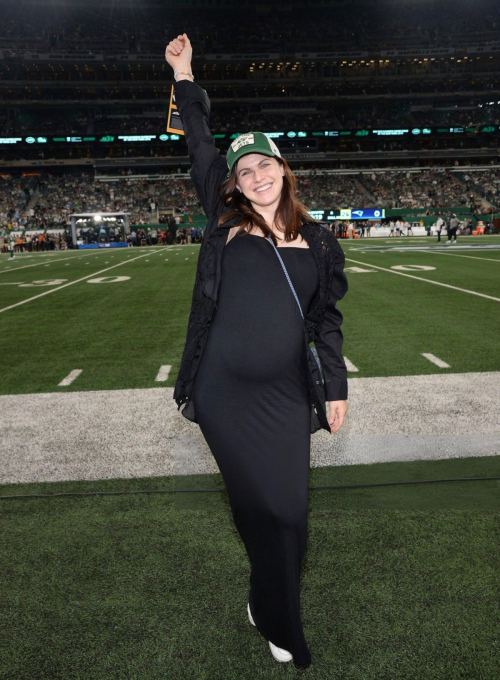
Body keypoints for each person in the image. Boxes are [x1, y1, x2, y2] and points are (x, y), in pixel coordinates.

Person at [167, 34, 348, 669]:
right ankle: (280, 622)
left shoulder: (322, 244)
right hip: (221, 395)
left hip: (287, 395)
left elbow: (326, 319)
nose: (256, 175)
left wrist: (337, 388)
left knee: (291, 516)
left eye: (265, 165)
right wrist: (185, 75)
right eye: (244, 171)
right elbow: (200, 144)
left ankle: (261, 591)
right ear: (235, 185)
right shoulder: (223, 223)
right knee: (258, 509)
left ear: (283, 170)